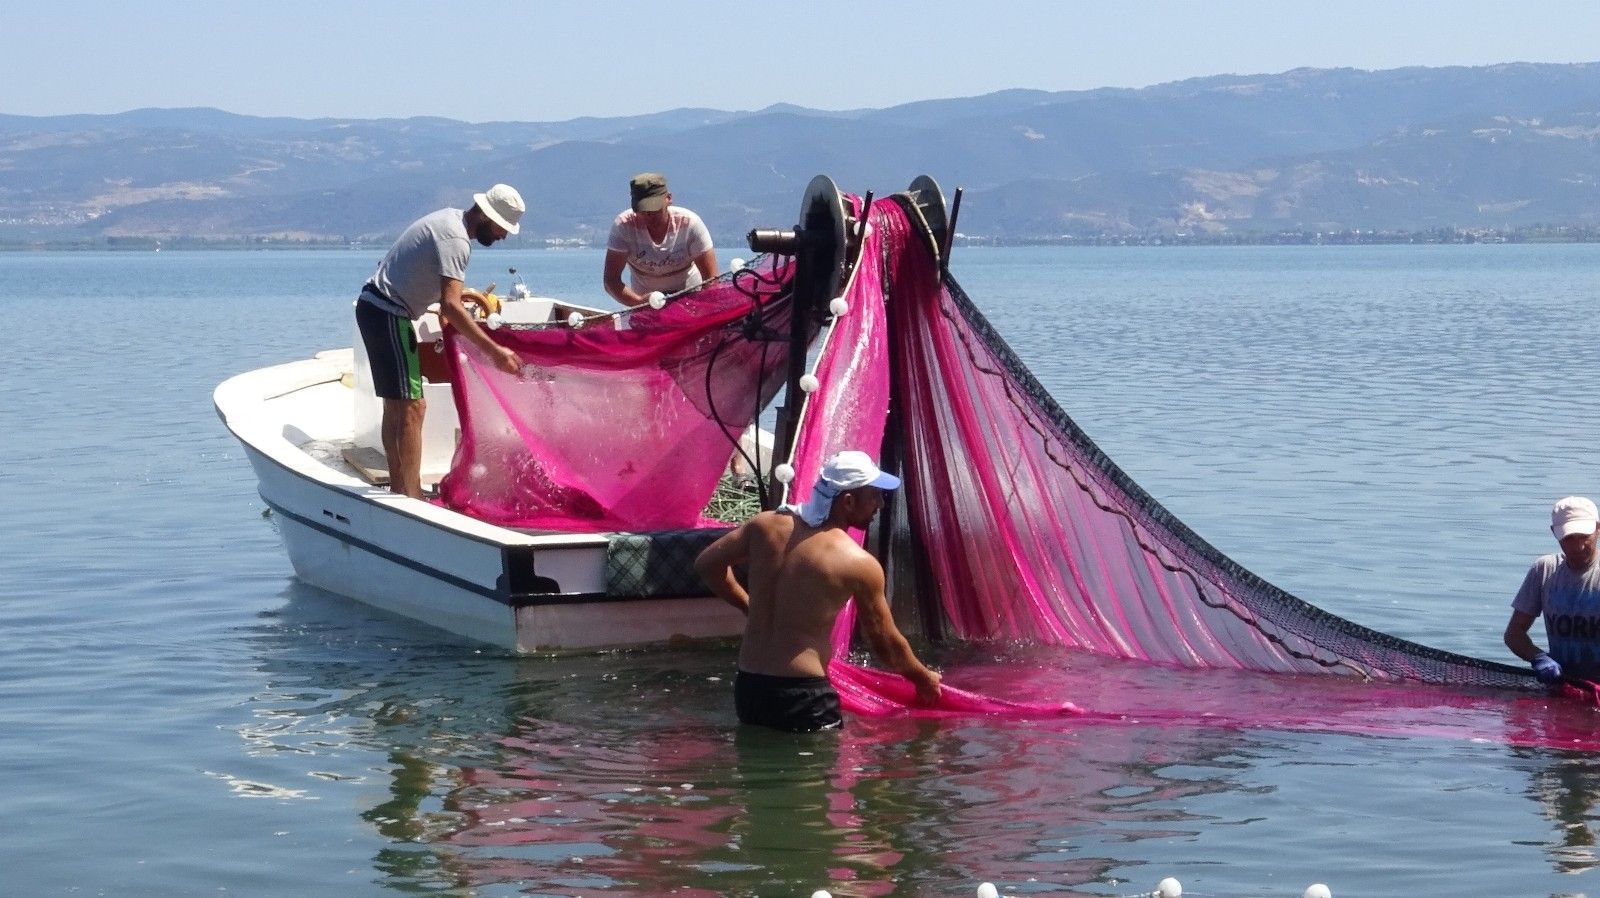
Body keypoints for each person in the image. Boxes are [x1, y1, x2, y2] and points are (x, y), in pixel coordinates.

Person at [694, 450, 942, 732]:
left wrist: (747, 605)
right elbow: (885, 643)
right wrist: (922, 677)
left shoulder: (764, 525)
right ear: (848, 501)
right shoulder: (856, 561)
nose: (880, 504)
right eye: (874, 496)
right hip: (804, 696)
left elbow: (706, 565)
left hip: (749, 689)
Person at [355, 184, 526, 499]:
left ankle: (400, 488)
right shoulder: (456, 239)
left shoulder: (450, 221)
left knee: (397, 405)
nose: (503, 236)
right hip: (388, 312)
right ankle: (412, 496)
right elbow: (451, 305)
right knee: (413, 407)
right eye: (502, 228)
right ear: (487, 217)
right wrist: (496, 351)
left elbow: (439, 293)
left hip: (376, 307)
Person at [1505, 496, 1600, 685]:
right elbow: (1514, 634)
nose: (1578, 547)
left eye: (1584, 536)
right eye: (1569, 538)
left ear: (1598, 528)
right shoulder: (1544, 570)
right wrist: (1538, 657)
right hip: (1561, 683)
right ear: (1554, 533)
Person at [603, 172, 718, 307]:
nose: (648, 215)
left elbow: (711, 279)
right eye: (642, 210)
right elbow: (611, 281)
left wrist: (703, 307)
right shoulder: (623, 226)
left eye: (654, 209)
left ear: (668, 198)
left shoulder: (690, 224)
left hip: (691, 299)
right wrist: (638, 301)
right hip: (645, 305)